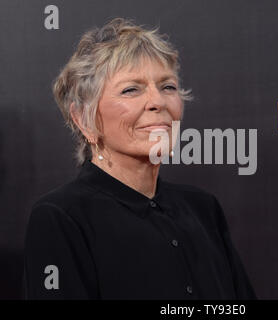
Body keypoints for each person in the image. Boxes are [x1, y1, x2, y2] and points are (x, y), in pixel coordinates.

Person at [22, 17, 257, 300]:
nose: (157, 102)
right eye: (131, 89)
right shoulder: (61, 217)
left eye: (167, 86)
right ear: (84, 119)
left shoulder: (203, 209)